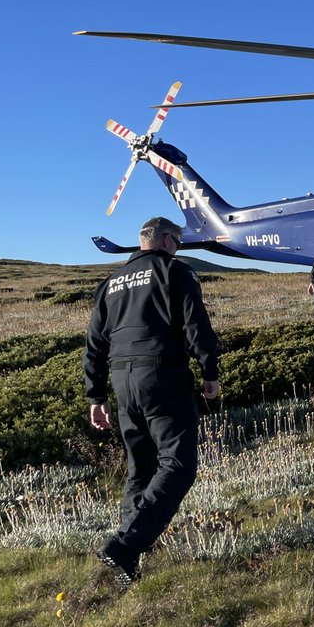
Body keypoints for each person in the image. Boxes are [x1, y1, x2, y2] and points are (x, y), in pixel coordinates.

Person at [83, 216, 220, 589]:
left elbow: (95, 344)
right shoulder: (176, 272)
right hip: (162, 375)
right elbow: (196, 325)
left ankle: (128, 559)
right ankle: (126, 545)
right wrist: (210, 371)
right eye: (177, 239)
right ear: (163, 241)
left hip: (121, 381)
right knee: (178, 464)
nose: (178, 246)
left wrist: (96, 395)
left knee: (140, 467)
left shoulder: (111, 283)